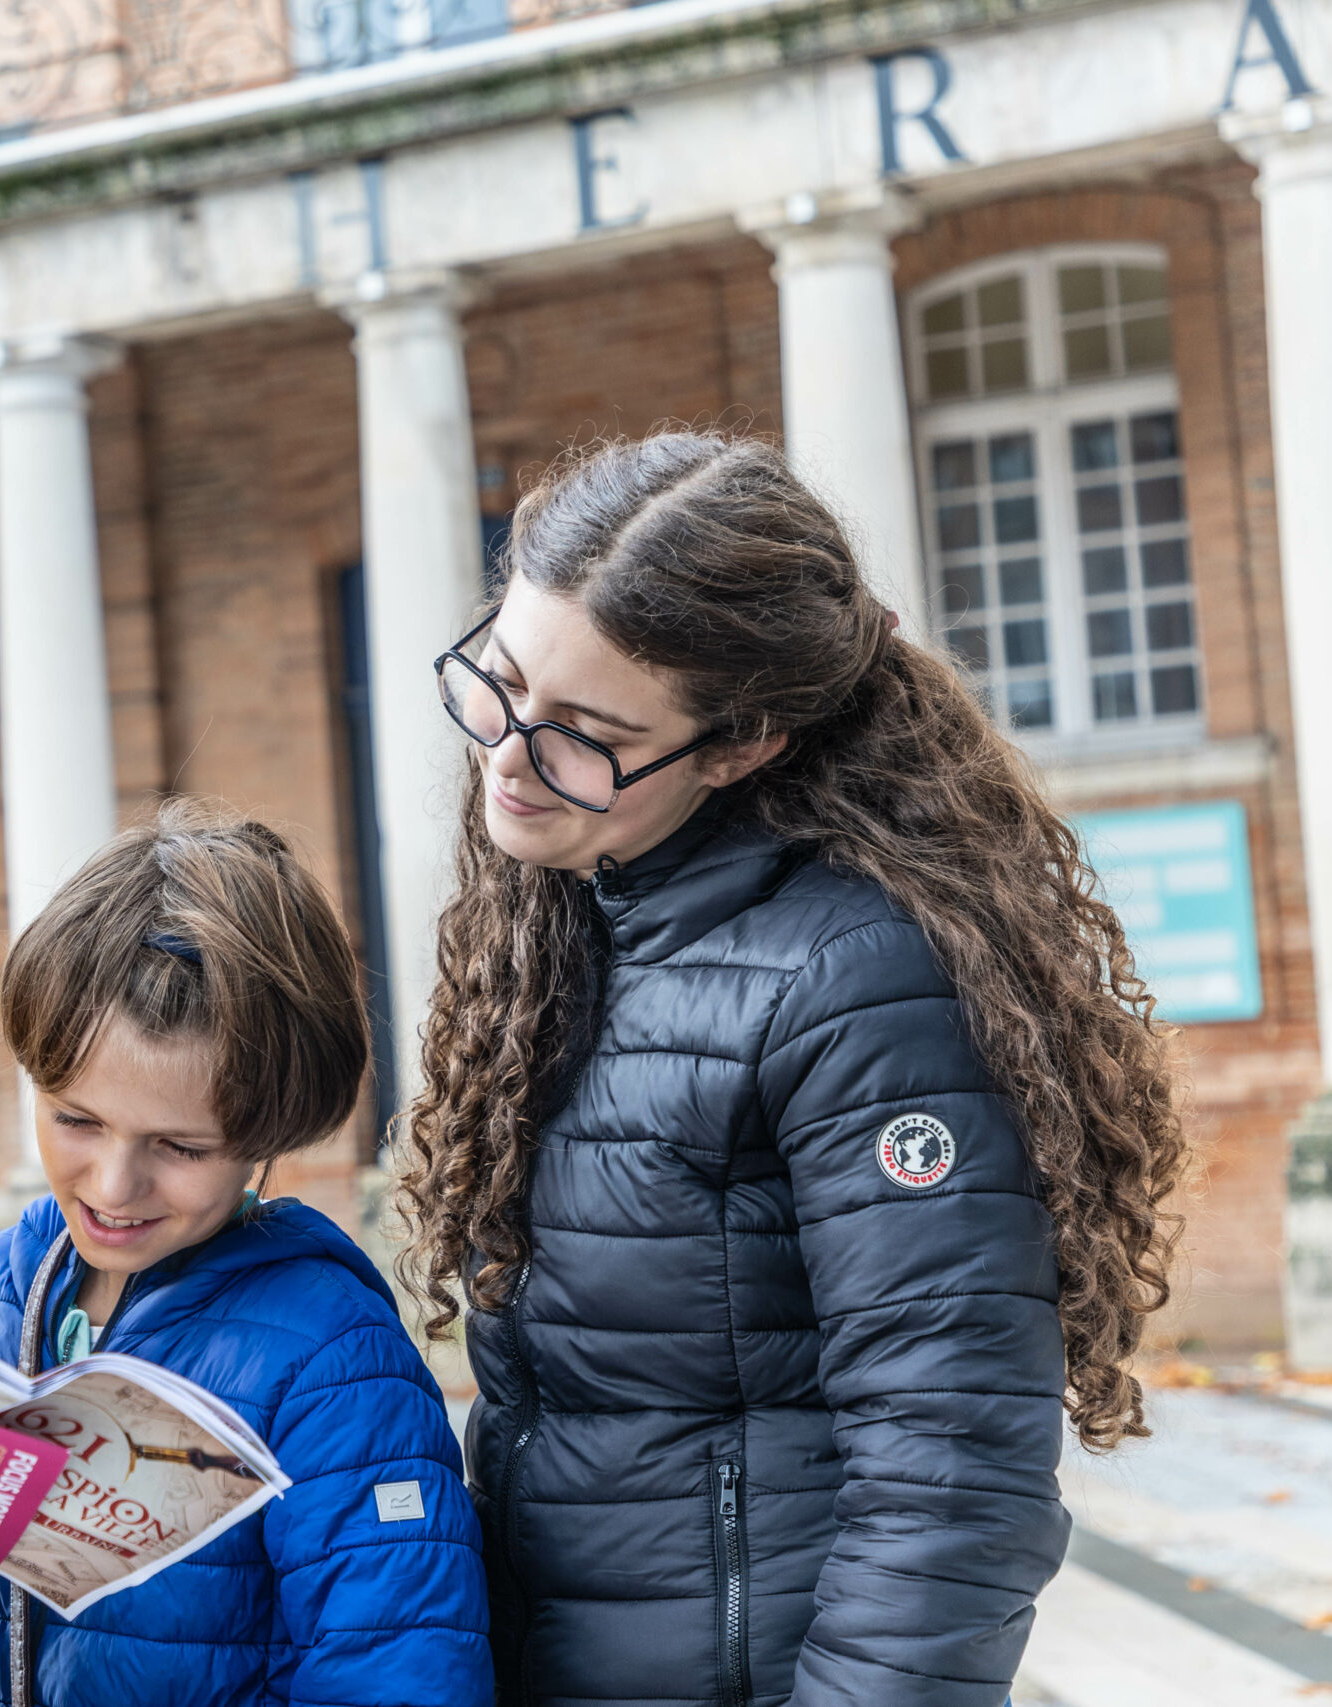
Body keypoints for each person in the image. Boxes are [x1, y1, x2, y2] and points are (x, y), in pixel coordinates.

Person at [397, 433, 1186, 1707]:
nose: (506, 756)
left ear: (740, 745)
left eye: (586, 733)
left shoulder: (856, 984)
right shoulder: (566, 916)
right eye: (501, 682)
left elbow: (953, 1471)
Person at [0, 804, 495, 1707]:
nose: (113, 1183)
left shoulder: (333, 1358)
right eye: (76, 1120)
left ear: (267, 1134)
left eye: (179, 1147)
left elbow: (400, 1674)